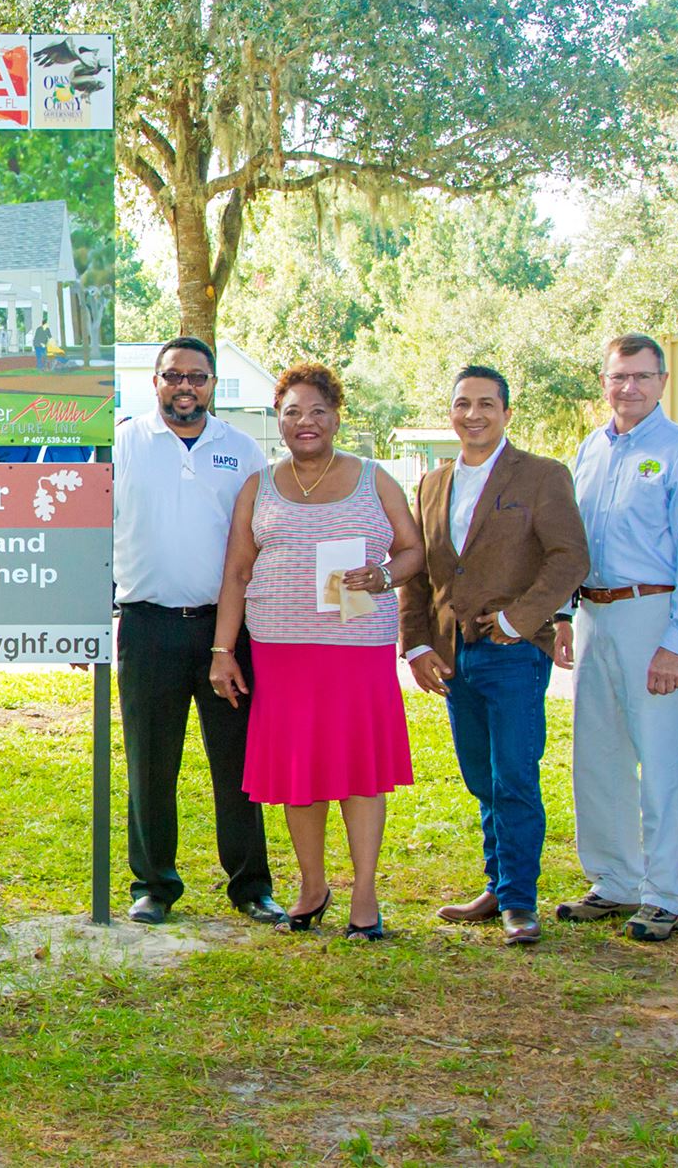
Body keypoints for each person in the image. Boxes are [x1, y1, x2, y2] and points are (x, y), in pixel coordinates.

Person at [210, 362, 423, 940]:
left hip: (356, 652)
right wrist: (223, 650)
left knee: (359, 772)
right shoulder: (258, 486)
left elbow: (413, 551)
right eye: (293, 412)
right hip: (282, 654)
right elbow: (237, 572)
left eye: (317, 411)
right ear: (278, 419)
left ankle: (365, 895)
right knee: (298, 772)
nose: (305, 422)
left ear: (336, 417)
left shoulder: (375, 479)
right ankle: (312, 887)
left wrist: (382, 575)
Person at [399, 366, 588, 946]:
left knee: (514, 777)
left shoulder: (542, 476)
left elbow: (570, 557)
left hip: (512, 654)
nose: (473, 414)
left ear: (507, 413)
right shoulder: (432, 484)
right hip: (453, 658)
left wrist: (518, 619)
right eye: (463, 404)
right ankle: (498, 884)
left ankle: (520, 901)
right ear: (450, 412)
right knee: (481, 776)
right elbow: (420, 571)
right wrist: (418, 642)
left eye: (486, 404)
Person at [111, 337, 283, 927]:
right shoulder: (123, 443)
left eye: (198, 377)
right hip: (146, 626)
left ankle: (251, 886)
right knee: (150, 763)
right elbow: (94, 530)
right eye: (173, 375)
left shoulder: (241, 449)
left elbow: (262, 539)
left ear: (212, 383)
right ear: (155, 381)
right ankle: (153, 885)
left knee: (237, 764)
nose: (185, 386)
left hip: (226, 631)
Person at [554, 334, 678, 943]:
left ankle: (665, 892)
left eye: (642, 376)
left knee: (662, 756)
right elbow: (571, 543)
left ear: (663, 382)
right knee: (599, 754)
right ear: (604, 381)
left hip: (653, 613)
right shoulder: (590, 450)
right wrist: (564, 614)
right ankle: (615, 879)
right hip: (594, 614)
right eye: (619, 376)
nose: (630, 387)